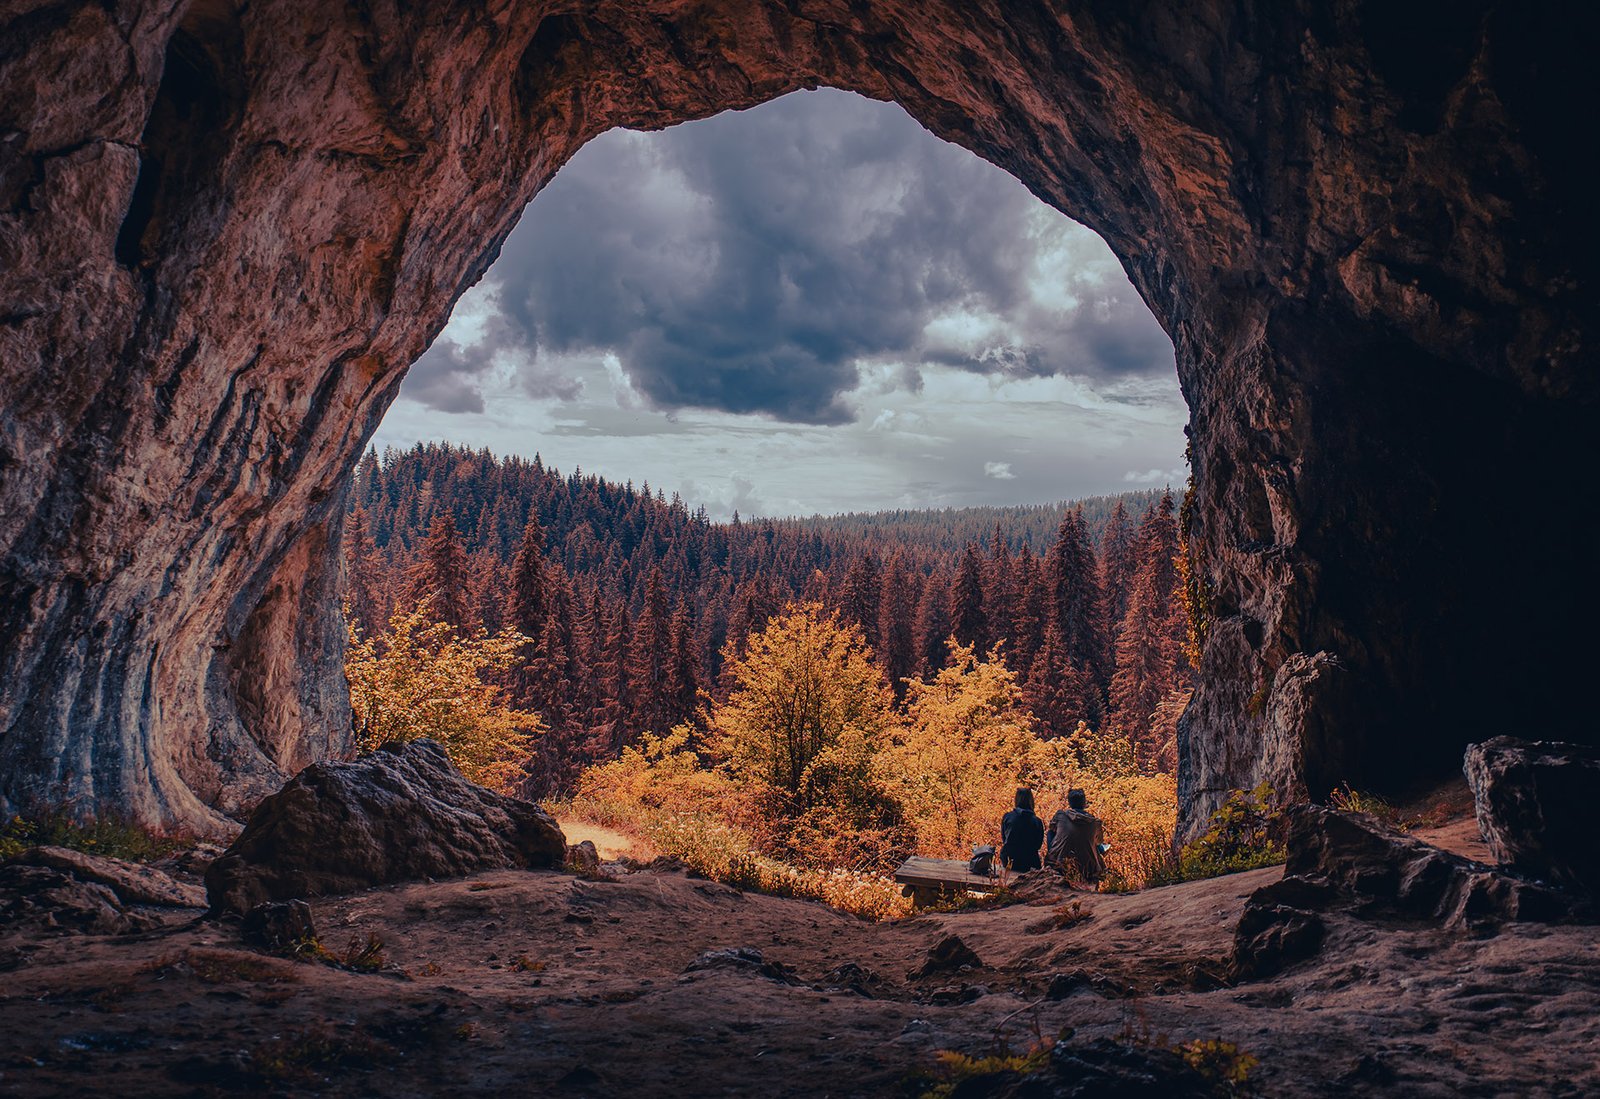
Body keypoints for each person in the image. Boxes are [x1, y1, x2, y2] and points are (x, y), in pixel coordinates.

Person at [1046, 788, 1107, 887]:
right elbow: (1099, 841)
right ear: (1084, 803)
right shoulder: (1095, 823)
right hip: (1087, 866)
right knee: (1094, 844)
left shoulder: (1060, 816)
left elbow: (1051, 831)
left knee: (1050, 832)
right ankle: (1099, 877)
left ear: (1069, 803)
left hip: (1059, 861)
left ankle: (1052, 854)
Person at [999, 788, 1044, 873]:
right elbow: (1038, 845)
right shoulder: (1036, 821)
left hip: (1010, 860)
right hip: (1030, 861)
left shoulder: (1008, 817)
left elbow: (1004, 839)